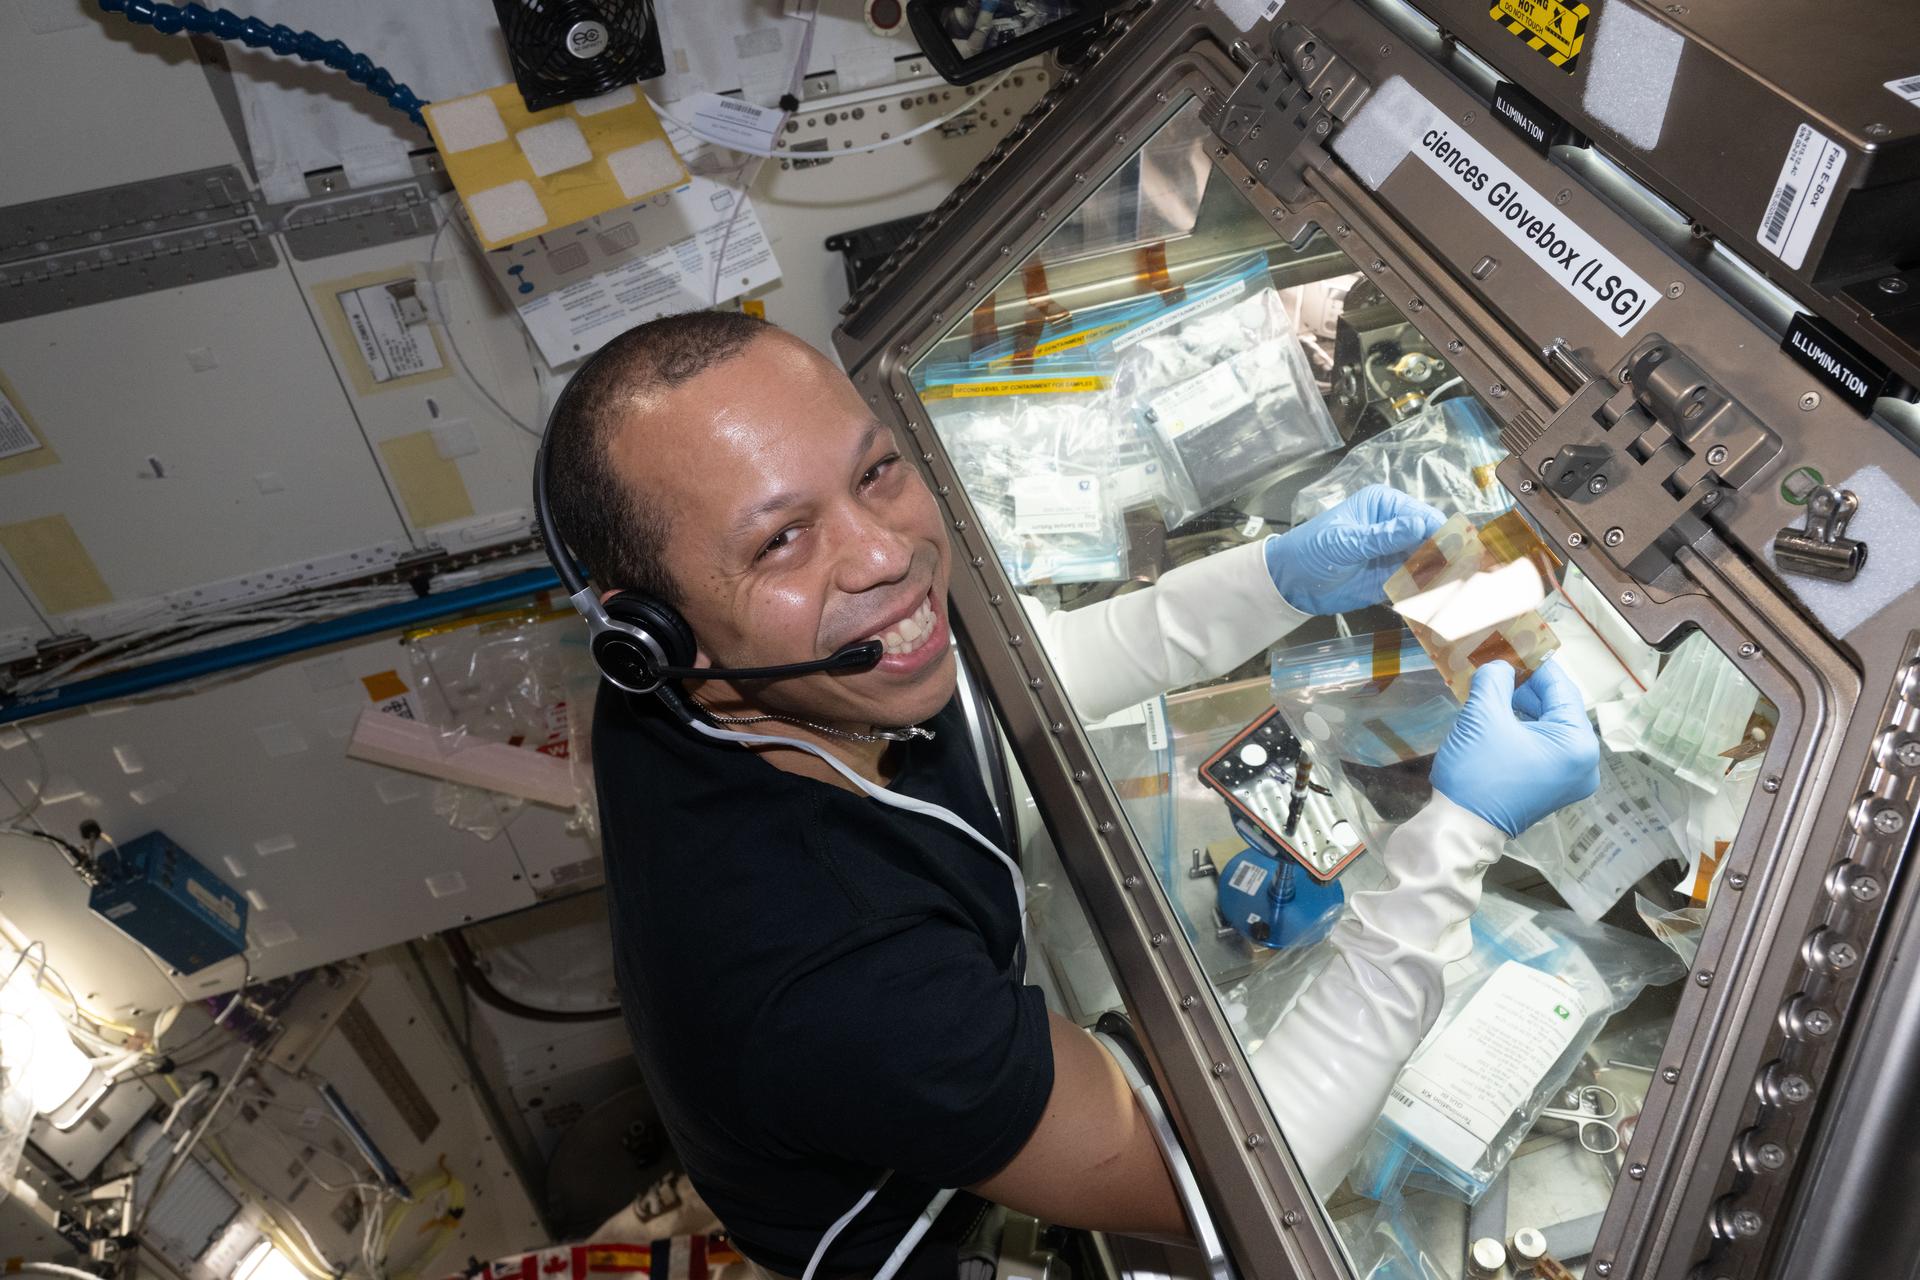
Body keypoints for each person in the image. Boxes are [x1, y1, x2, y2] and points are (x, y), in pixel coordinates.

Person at [542, 310, 1599, 1279]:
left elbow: (995, 690)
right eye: (782, 538)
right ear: (652, 628)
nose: (888, 556)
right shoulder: (832, 980)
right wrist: (1458, 834)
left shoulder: (720, 677)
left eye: (874, 473)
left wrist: (1269, 578)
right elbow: (1228, 1183)